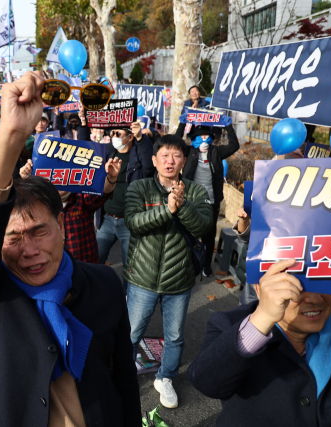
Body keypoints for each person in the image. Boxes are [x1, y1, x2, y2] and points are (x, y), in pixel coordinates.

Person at [0, 71, 141, 427]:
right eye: (13, 237)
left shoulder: (105, 284)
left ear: (62, 226)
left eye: (38, 231)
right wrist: (11, 134)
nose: (29, 250)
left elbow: (124, 377)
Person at [188, 258, 331, 426]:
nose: (315, 299)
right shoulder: (231, 324)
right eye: (296, 286)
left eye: (325, 282)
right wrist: (262, 319)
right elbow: (205, 382)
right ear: (260, 289)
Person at [123, 134, 213, 408]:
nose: (169, 161)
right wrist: (167, 209)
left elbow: (203, 228)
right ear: (154, 160)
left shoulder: (196, 192)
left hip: (180, 280)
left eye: (176, 156)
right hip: (141, 278)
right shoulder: (139, 187)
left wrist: (182, 205)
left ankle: (166, 377)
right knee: (130, 332)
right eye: (164, 155)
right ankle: (121, 376)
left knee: (174, 336)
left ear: (184, 161)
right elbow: (134, 222)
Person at [19, 157, 122, 264]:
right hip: (55, 267)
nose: (60, 180)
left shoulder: (82, 198)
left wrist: (111, 178)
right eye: (55, 176)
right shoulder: (42, 203)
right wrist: (27, 179)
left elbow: (104, 192)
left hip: (85, 266)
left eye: (65, 174)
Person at [96, 122, 155, 291]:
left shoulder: (138, 155)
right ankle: (94, 294)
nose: (114, 136)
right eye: (112, 133)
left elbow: (150, 167)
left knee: (129, 268)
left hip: (128, 223)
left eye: (118, 133)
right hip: (106, 220)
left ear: (129, 136)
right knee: (94, 261)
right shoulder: (108, 152)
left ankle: (125, 301)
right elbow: (89, 152)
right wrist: (84, 124)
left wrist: (141, 138)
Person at [176, 123, 239, 277]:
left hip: (211, 201)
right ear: (194, 138)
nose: (204, 139)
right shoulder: (189, 151)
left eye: (206, 136)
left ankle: (206, 264)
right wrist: (183, 123)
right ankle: (188, 262)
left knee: (209, 235)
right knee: (188, 232)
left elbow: (234, 145)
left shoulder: (216, 152)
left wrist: (228, 126)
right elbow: (175, 142)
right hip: (191, 199)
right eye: (200, 136)